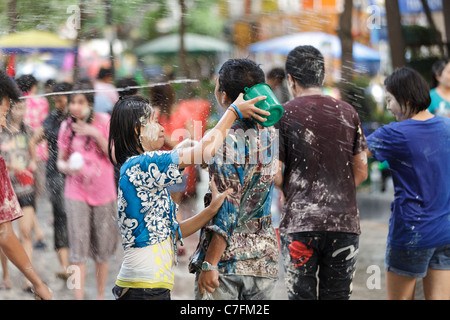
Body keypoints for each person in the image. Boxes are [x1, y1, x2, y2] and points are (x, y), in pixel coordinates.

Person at [108, 89, 268, 300]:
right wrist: (233, 111)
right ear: (138, 129)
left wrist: (210, 211)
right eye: (154, 122)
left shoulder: (140, 168)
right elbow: (204, 152)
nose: (161, 128)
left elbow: (173, 233)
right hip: (142, 290)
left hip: (149, 288)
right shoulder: (141, 164)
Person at [275, 45, 368, 300]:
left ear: (291, 80)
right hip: (344, 224)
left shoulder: (283, 115)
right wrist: (339, 191)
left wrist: (290, 189)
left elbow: (274, 174)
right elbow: (361, 171)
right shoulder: (348, 112)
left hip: (300, 224)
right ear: (322, 76)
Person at [188, 58, 280, 300]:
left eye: (218, 86)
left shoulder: (226, 141)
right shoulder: (270, 132)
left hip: (227, 265)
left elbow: (227, 205)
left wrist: (210, 264)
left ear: (225, 95)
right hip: (264, 261)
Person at [365, 67, 450, 300]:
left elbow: (352, 151)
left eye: (390, 100)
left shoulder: (395, 133)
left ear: (406, 99)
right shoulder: (447, 126)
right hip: (445, 231)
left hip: (412, 232)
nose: (388, 107)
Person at [56, 79, 118, 300]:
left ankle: (100, 295)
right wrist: (68, 168)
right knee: (77, 249)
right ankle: (78, 297)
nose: (75, 107)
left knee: (102, 250)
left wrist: (95, 133)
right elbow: (60, 162)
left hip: (104, 193)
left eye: (80, 102)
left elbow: (114, 156)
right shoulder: (66, 127)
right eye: (72, 102)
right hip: (76, 193)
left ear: (90, 103)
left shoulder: (105, 121)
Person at [0, 70, 52, 300]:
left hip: (24, 188)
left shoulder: (24, 131)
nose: (4, 121)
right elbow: (4, 235)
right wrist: (38, 283)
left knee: (25, 233)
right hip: (14, 185)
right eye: (2, 113)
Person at [29, 82, 72, 281]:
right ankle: (65, 266)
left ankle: (75, 261)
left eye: (60, 98)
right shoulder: (53, 119)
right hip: (56, 175)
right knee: (61, 216)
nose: (57, 102)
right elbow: (34, 140)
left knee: (75, 218)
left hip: (77, 177)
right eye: (55, 99)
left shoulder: (78, 118)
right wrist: (32, 161)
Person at [15, 74, 47, 246]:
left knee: (22, 191)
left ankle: (29, 228)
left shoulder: (17, 101)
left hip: (20, 152)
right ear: (33, 86)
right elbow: (44, 128)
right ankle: (33, 230)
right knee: (32, 193)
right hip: (39, 152)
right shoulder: (42, 101)